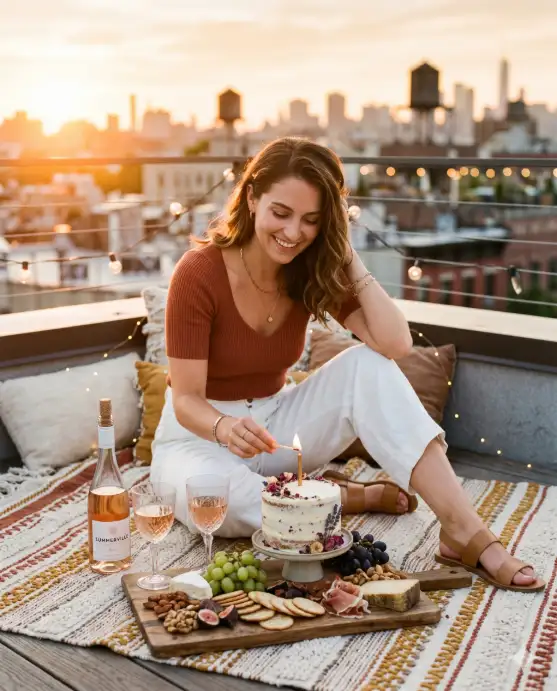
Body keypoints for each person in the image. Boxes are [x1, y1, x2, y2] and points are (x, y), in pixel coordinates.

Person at [150, 137, 544, 592]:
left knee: (366, 365)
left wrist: (344, 252)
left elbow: (395, 343)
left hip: (274, 428)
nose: (293, 232)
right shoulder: (198, 272)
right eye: (281, 213)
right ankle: (346, 496)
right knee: (226, 506)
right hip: (197, 438)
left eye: (311, 220)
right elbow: (186, 402)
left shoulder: (307, 265)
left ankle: (464, 532)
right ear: (253, 197)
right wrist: (223, 427)